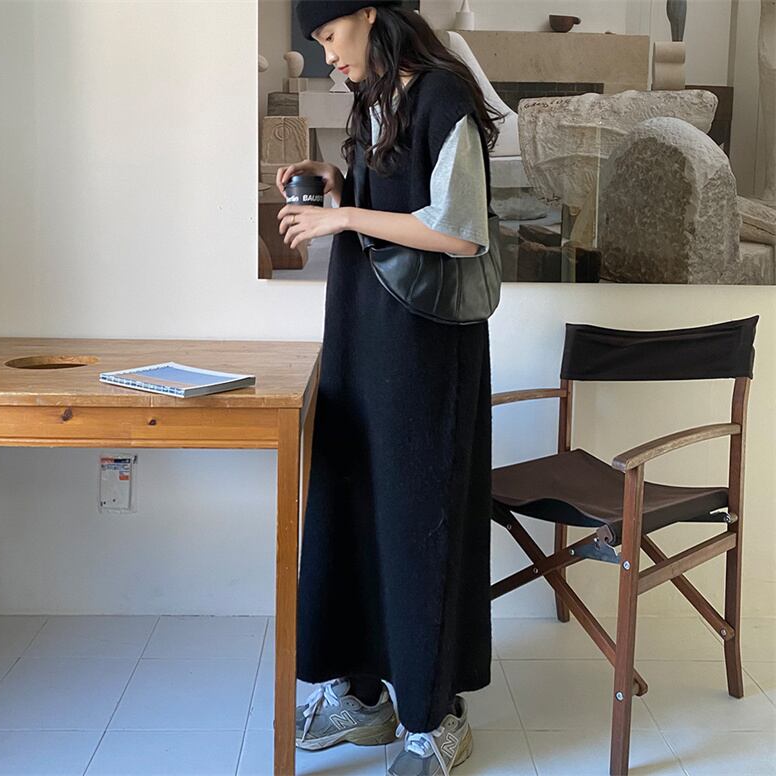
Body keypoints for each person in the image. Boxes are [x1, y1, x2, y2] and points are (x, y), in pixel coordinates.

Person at [277, 3, 503, 774]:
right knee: (354, 505)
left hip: (423, 346)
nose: (327, 56)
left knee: (418, 516)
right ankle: (365, 693)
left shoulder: (443, 94)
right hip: (362, 330)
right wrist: (337, 183)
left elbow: (459, 230)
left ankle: (435, 716)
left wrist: (343, 218)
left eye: (331, 37)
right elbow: (395, 198)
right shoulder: (375, 95)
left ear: (369, 13)